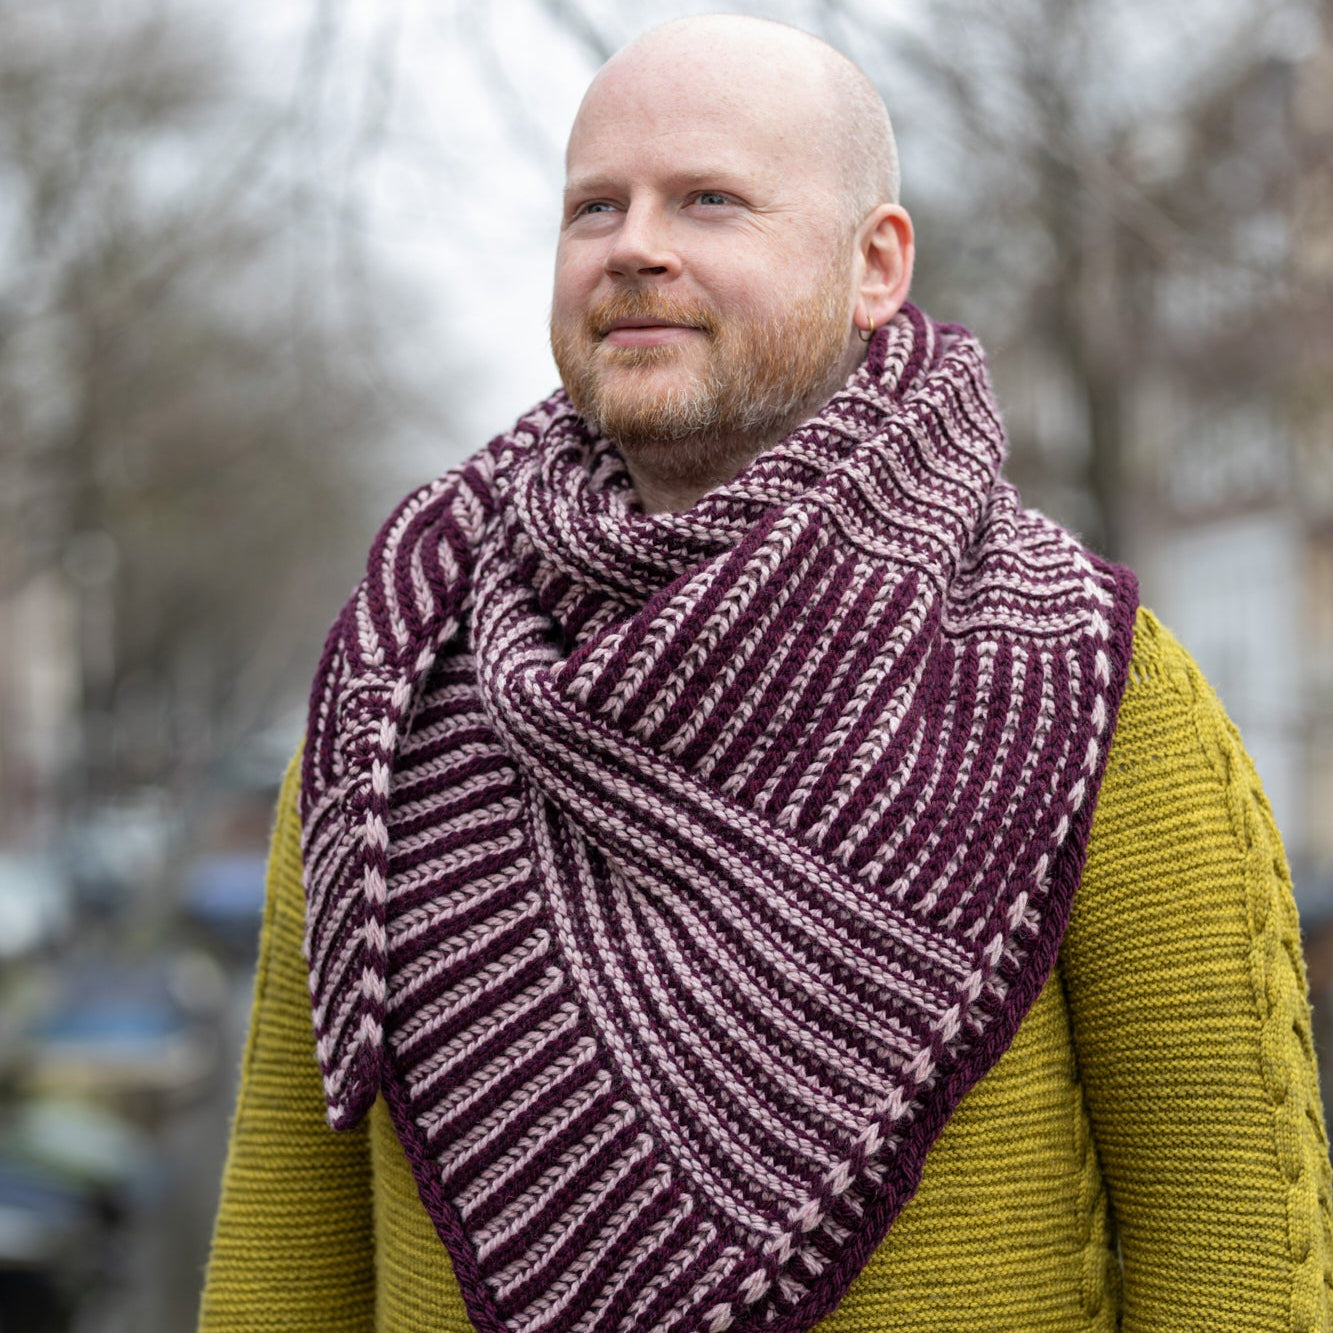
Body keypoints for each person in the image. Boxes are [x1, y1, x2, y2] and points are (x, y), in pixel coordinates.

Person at [199, 15, 1333, 1333]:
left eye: (710, 200)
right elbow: (282, 1260)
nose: (633, 244)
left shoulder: (1077, 680)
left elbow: (1238, 1262)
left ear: (873, 265)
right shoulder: (400, 678)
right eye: (592, 208)